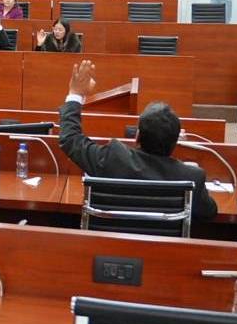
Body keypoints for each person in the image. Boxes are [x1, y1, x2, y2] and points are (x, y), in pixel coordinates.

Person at [59, 59, 217, 220]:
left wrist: (75, 94)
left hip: (111, 244)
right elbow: (210, 212)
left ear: (137, 136)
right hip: (163, 245)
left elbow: (71, 139)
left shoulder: (114, 158)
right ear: (176, 142)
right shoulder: (192, 178)